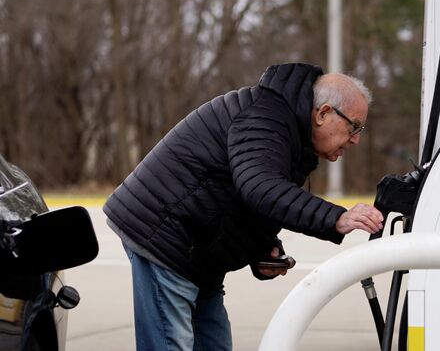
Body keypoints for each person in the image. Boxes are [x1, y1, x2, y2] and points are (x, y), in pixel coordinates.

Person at [103, 62, 384, 351]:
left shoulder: (287, 128)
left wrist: (262, 248)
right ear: (324, 113)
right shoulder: (265, 118)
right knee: (170, 344)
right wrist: (336, 217)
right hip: (165, 236)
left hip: (198, 251)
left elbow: (242, 196)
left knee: (215, 344)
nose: (356, 139)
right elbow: (260, 187)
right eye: (354, 126)